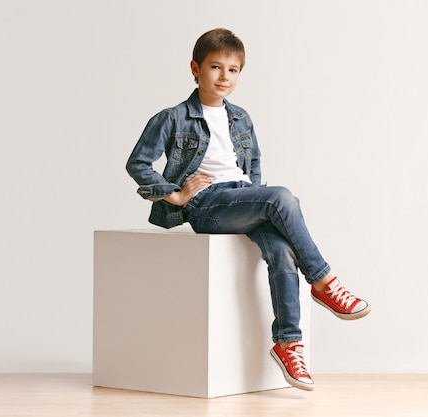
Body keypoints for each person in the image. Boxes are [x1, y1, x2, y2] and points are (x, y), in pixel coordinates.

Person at [126, 28, 370, 391]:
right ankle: (323, 282)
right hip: (207, 205)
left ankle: (288, 343)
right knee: (282, 196)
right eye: (215, 67)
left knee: (283, 252)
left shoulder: (241, 118)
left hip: (243, 198)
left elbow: (252, 169)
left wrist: (254, 196)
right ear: (195, 68)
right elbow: (138, 163)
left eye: (233, 70)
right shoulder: (172, 117)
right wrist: (175, 196)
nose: (224, 77)